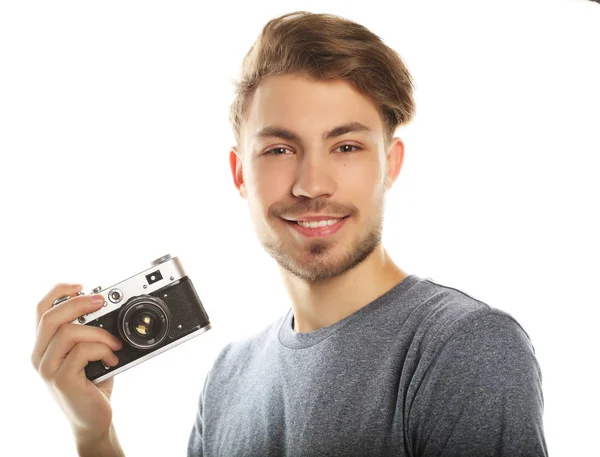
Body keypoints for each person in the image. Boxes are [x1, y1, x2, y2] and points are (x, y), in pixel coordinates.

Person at [31, 11, 547, 457]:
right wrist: (93, 434)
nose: (312, 185)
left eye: (345, 147)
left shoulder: (462, 348)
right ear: (240, 175)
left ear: (390, 165)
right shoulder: (228, 378)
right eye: (279, 150)